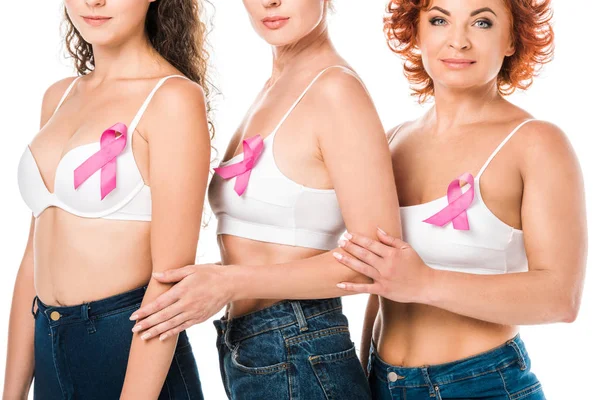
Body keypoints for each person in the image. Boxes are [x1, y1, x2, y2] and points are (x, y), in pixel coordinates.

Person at [129, 0, 402, 398]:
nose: (269, 2)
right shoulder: (277, 84)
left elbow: (376, 264)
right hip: (253, 344)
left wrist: (229, 282)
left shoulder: (335, 90)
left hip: (300, 344)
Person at [333, 0, 587, 399]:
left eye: (481, 22)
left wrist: (425, 283)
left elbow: (561, 299)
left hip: (481, 384)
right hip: (384, 383)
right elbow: (385, 286)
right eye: (439, 20)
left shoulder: (536, 143)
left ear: (511, 39)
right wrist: (367, 377)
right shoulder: (393, 141)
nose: (458, 41)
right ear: (416, 32)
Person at [4, 0, 212, 398]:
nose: (93, 1)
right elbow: (33, 257)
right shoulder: (58, 96)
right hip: (47, 344)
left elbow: (170, 281)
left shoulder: (172, 99)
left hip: (130, 348)